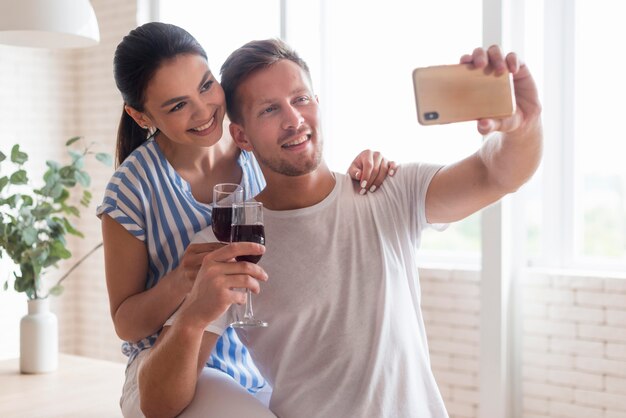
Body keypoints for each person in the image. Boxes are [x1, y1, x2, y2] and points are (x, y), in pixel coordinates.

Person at [137, 39, 543, 417]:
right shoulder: (229, 243)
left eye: (300, 99)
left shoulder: (388, 191)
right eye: (269, 110)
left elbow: (495, 173)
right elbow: (156, 405)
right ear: (241, 136)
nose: (294, 119)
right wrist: (192, 317)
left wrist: (523, 125)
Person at [98, 23, 396, 418]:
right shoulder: (130, 188)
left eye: (206, 86)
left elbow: (312, 194)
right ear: (140, 114)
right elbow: (126, 323)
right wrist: (183, 281)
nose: (204, 112)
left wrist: (368, 168)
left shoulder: (253, 145)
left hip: (252, 362)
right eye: (177, 105)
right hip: (169, 367)